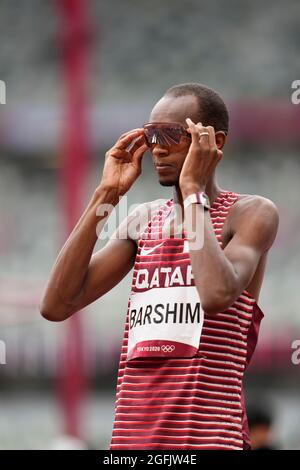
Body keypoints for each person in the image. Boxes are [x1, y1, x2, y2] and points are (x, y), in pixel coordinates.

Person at [40, 83, 279, 450]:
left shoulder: (248, 213)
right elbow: (57, 305)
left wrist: (193, 191)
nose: (158, 147)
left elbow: (216, 294)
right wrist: (106, 194)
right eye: (151, 134)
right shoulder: (143, 219)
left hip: (208, 440)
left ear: (215, 142)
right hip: (130, 442)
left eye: (173, 134)